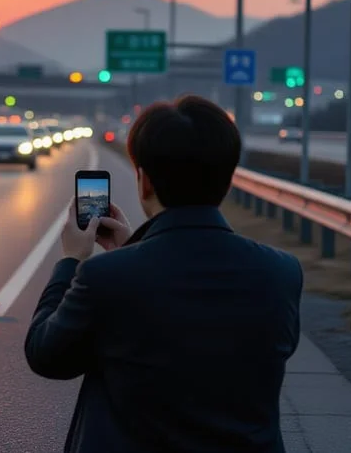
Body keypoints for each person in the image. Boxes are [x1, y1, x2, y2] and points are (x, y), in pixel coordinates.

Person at [24, 95, 303, 453]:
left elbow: (46, 355)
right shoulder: (281, 272)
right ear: (228, 180)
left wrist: (71, 261)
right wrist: (132, 250)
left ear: (144, 182)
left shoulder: (104, 277)